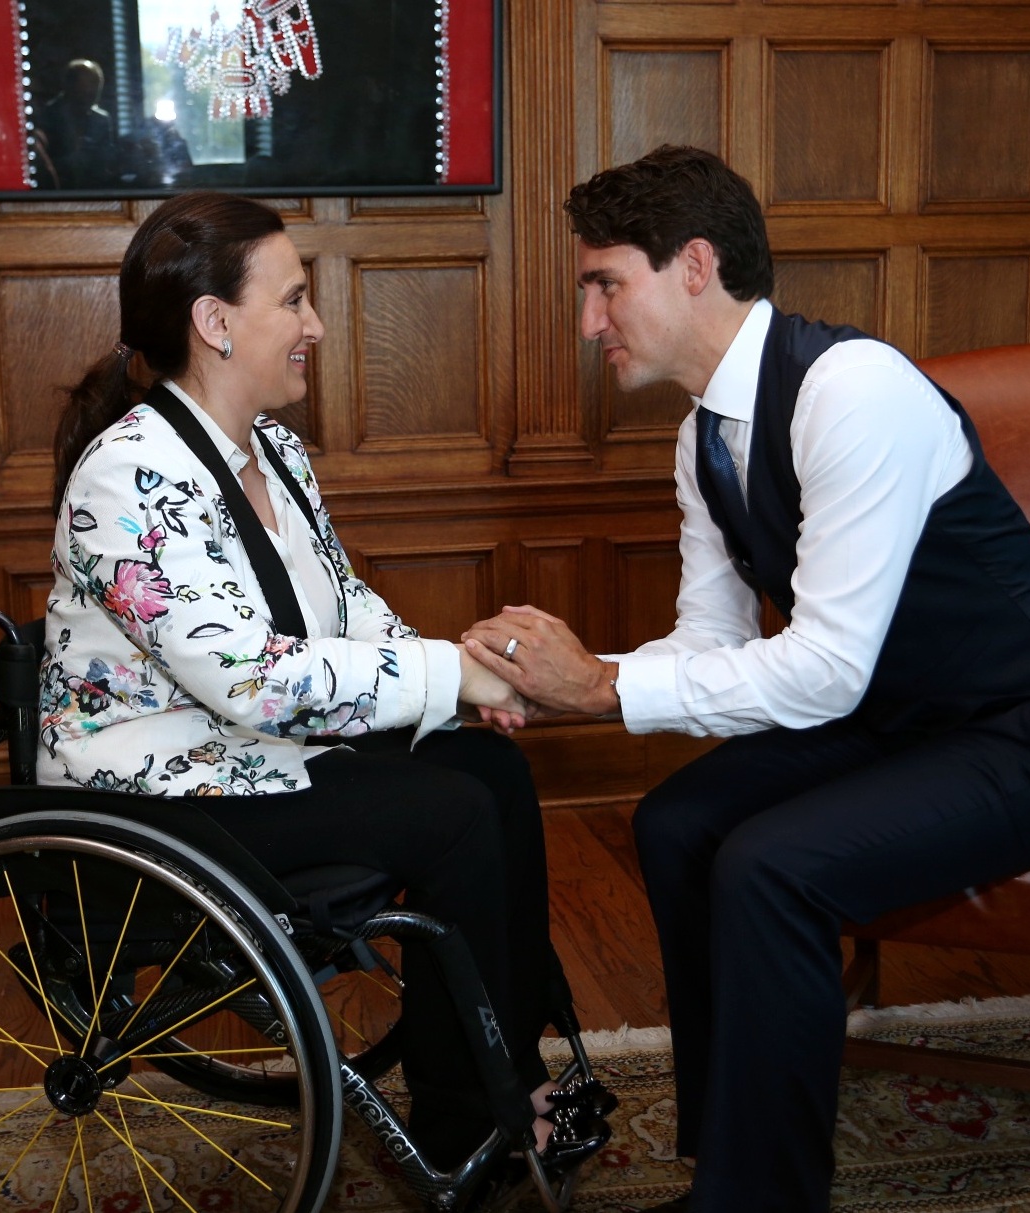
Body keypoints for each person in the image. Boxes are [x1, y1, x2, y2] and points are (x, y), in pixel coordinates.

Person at [463, 145, 1030, 1212]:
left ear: (693, 265)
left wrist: (599, 689)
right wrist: (564, 682)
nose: (591, 321)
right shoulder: (702, 438)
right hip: (901, 719)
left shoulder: (852, 391)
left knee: (772, 866)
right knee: (679, 823)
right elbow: (707, 643)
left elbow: (823, 671)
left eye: (605, 285)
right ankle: (730, 1156)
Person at [41, 190, 610, 1172]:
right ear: (214, 322)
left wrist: (469, 685)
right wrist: (451, 677)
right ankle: (465, 1117)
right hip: (157, 796)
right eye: (295, 299)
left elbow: (346, 608)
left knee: (496, 776)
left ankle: (502, 1072)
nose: (314, 325)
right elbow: (253, 680)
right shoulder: (128, 473)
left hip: (247, 759)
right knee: (453, 813)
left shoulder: (278, 452)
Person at [39, 59, 116, 189]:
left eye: (96, 86)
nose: (92, 91)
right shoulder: (48, 115)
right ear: (69, 85)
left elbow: (106, 162)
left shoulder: (101, 120)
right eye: (88, 85)